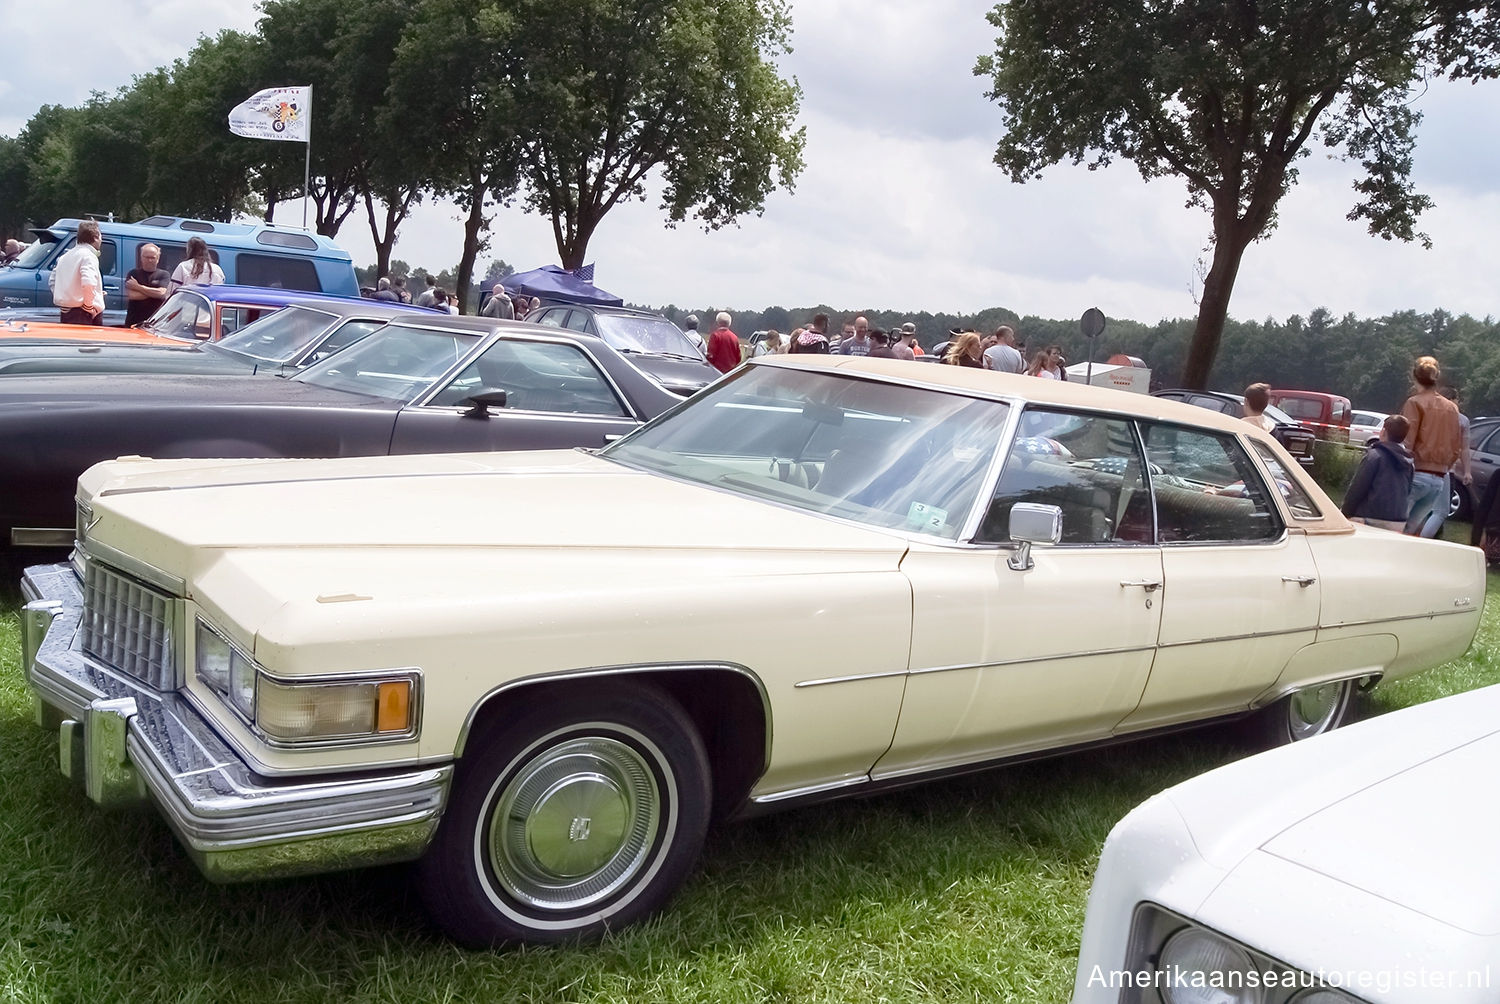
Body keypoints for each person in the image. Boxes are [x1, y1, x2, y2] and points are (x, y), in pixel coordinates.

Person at [1401, 356, 1464, 536]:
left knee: (1394, 528)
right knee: (1410, 532)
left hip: (1416, 473)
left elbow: (1407, 443)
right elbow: (1456, 447)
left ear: (1413, 376)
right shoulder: (1452, 408)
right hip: (1439, 478)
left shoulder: (1414, 402)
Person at [1341, 414, 1414, 532]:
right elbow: (1408, 490)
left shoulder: (1374, 456)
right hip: (1398, 519)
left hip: (1371, 516)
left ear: (1383, 431)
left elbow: (1358, 487)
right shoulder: (1409, 462)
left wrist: (1345, 512)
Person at [1422, 387, 1473, 537]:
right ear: (1452, 400)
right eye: (1457, 400)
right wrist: (1467, 471)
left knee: (1419, 506)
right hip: (1444, 469)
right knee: (1441, 511)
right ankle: (1424, 539)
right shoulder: (1461, 420)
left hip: (1421, 465)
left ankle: (1408, 535)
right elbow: (1464, 449)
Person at [52, 220, 106, 325]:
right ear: (95, 237)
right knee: (87, 341)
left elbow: (52, 281)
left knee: (68, 341)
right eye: (100, 236)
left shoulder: (64, 257)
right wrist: (88, 305)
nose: (101, 240)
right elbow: (88, 283)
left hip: (67, 311)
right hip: (84, 313)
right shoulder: (89, 256)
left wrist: (66, 300)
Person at [123, 243, 170, 326]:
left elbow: (162, 293)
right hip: (134, 321)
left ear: (158, 259)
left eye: (153, 257)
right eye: (147, 257)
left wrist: (138, 287)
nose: (150, 260)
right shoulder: (133, 273)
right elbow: (132, 295)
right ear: (141, 258)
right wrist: (154, 293)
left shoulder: (164, 275)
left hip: (155, 322)